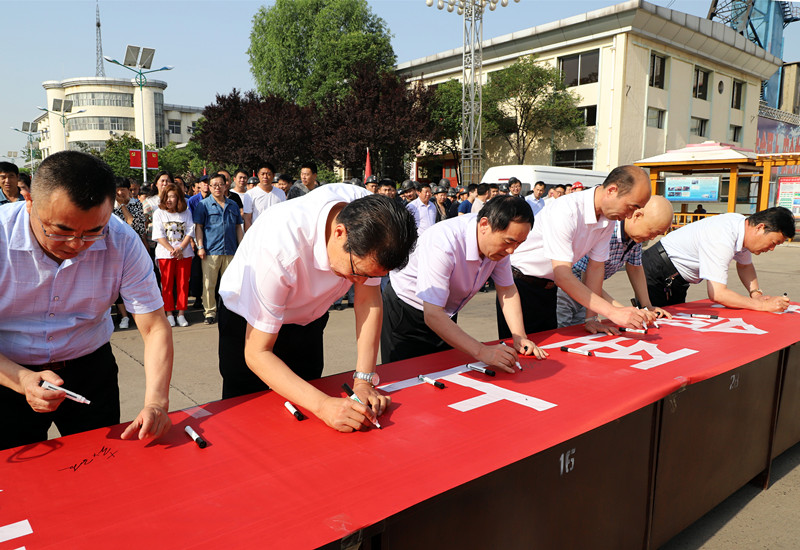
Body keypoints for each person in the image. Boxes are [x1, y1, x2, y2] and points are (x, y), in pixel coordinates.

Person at [0, 151, 173, 450]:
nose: (76, 244)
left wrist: (156, 403)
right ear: (29, 202)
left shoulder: (122, 240)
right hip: (7, 371)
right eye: (61, 230)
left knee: (99, 459)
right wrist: (21, 379)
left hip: (89, 368)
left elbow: (155, 326)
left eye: (93, 232)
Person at [217, 184, 417, 432]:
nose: (360, 282)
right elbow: (257, 353)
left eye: (371, 275)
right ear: (340, 233)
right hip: (247, 320)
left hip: (307, 320)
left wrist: (364, 380)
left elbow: (368, 300)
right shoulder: (280, 247)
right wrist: (323, 405)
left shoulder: (378, 221)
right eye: (356, 272)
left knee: (305, 417)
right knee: (246, 416)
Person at [382, 195, 547, 368]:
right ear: (484, 225)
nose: (511, 250)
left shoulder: (500, 247)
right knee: (405, 374)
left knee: (445, 371)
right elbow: (432, 314)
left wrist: (519, 336)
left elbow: (507, 289)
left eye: (519, 244)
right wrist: (483, 352)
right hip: (407, 312)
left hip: (445, 313)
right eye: (509, 241)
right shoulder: (444, 242)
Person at [501, 165, 656, 338]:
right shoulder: (567, 210)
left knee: (546, 347)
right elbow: (563, 275)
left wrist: (591, 318)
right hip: (519, 286)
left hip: (548, 289)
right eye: (631, 207)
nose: (629, 216)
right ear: (612, 190)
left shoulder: (608, 219)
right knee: (519, 350)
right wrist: (612, 312)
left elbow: (595, 268)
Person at [642, 206, 794, 312]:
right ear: (760, 227)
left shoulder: (742, 227)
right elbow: (718, 294)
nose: (771, 249)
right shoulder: (722, 236)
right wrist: (762, 306)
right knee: (656, 325)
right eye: (773, 242)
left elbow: (745, 265)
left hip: (675, 278)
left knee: (672, 325)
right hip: (658, 270)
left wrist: (756, 295)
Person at [556, 196, 674, 328]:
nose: (652, 238)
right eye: (652, 232)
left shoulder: (635, 238)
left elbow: (635, 268)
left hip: (590, 294)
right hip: (565, 289)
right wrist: (620, 310)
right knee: (560, 330)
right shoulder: (608, 231)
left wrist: (647, 306)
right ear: (637, 216)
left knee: (579, 331)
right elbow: (587, 278)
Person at [194, 173, 244, 324]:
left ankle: (230, 311)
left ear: (225, 186)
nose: (217, 187)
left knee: (231, 284)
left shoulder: (233, 205)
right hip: (211, 250)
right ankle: (210, 312)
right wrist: (200, 247)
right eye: (214, 185)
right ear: (209, 187)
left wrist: (241, 247)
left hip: (231, 250)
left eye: (220, 184)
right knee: (209, 284)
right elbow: (198, 227)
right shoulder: (203, 205)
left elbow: (238, 227)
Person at [153, 183, 195, 328]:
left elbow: (190, 231)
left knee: (183, 284)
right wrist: (172, 250)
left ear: (178, 198)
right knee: (167, 284)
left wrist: (181, 248)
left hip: (184, 254)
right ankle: (169, 313)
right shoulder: (159, 213)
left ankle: (181, 313)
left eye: (172, 197)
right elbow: (158, 235)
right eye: (167, 197)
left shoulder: (186, 213)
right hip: (165, 254)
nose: (169, 200)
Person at [112, 177, 148, 330]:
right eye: (117, 190)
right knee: (117, 286)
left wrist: (122, 207)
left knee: (133, 284)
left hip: (133, 251)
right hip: (115, 251)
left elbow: (135, 226)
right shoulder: (109, 206)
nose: (120, 193)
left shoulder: (136, 204)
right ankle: (124, 316)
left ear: (129, 190)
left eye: (123, 190)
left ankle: (138, 315)